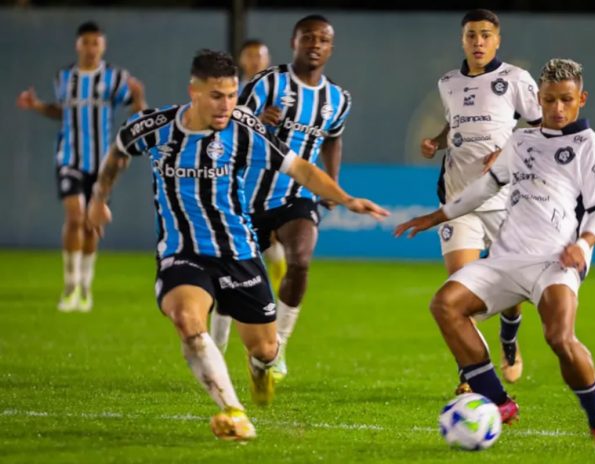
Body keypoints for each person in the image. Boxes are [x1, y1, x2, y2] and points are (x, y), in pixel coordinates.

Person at [87, 49, 387, 441]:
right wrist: (98, 198)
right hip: (183, 253)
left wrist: (345, 198)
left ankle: (264, 366)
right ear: (193, 91)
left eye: (231, 95)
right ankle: (233, 410)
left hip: (239, 254)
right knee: (187, 320)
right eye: (216, 95)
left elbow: (300, 168)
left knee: (264, 348)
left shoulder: (244, 130)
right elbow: (119, 152)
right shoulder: (155, 127)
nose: (226, 105)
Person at [395, 58, 595, 450]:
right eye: (550, 100)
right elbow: (487, 186)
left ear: (581, 100)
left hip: (555, 260)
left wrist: (584, 243)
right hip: (506, 258)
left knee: (560, 337)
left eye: (566, 100)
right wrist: (437, 215)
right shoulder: (521, 140)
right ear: (538, 99)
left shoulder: (590, 147)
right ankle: (500, 403)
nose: (557, 109)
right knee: (445, 305)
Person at [210, 15, 351, 382]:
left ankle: (280, 346)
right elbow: (226, 119)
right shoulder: (267, 82)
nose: (316, 44)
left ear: (332, 48)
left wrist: (331, 182)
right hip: (248, 196)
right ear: (294, 41)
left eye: (323, 39)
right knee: (231, 280)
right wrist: (255, 116)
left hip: (296, 196)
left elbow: (333, 137)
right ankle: (215, 352)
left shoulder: (336, 98)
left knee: (300, 260)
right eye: (309, 38)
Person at [421, 9, 542, 389]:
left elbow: (540, 126)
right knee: (461, 291)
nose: (478, 42)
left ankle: (509, 339)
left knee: (510, 294)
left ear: (497, 40)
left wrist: (508, 149)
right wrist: (437, 142)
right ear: (462, 40)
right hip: (459, 200)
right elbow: (457, 125)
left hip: (505, 200)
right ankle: (469, 376)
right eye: (471, 35)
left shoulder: (515, 79)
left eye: (486, 35)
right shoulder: (448, 83)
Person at [16, 21, 146, 312]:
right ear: (78, 45)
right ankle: (70, 286)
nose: (90, 48)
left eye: (95, 42)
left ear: (103, 45)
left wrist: (138, 96)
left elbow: (138, 116)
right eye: (85, 42)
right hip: (70, 158)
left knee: (91, 225)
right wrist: (37, 106)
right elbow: (63, 112)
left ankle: (86, 287)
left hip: (102, 164)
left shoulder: (115, 78)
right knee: (74, 218)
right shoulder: (64, 77)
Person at [237, 39, 287, 294]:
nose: (255, 60)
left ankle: (275, 275)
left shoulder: (278, 89)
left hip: (269, 168)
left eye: (260, 55)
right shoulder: (231, 89)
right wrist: (256, 118)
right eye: (250, 55)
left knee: (269, 230)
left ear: (267, 59)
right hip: (237, 168)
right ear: (242, 59)